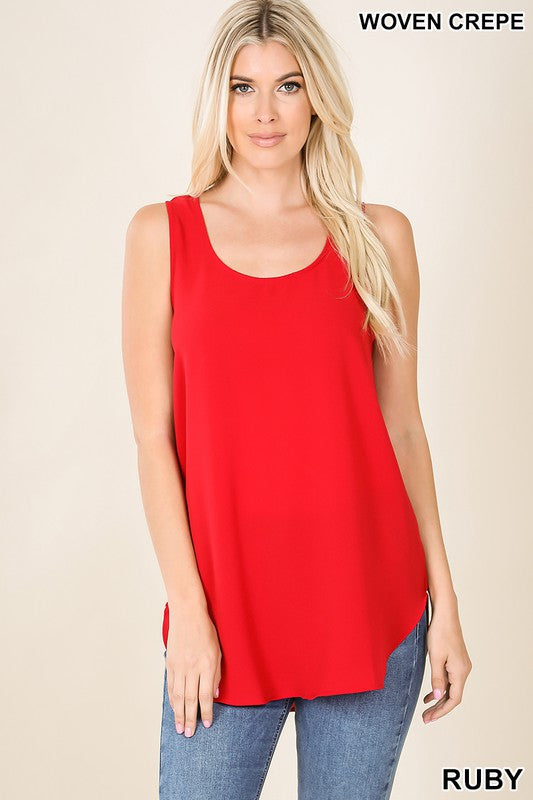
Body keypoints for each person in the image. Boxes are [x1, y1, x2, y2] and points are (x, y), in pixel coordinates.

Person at [121, 1, 472, 797]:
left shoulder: (378, 236)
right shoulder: (161, 235)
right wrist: (187, 612)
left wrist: (445, 603)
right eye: (242, 88)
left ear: (317, 96)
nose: (265, 112)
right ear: (219, 99)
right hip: (225, 620)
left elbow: (402, 428)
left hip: (367, 606)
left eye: (287, 85)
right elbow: (152, 439)